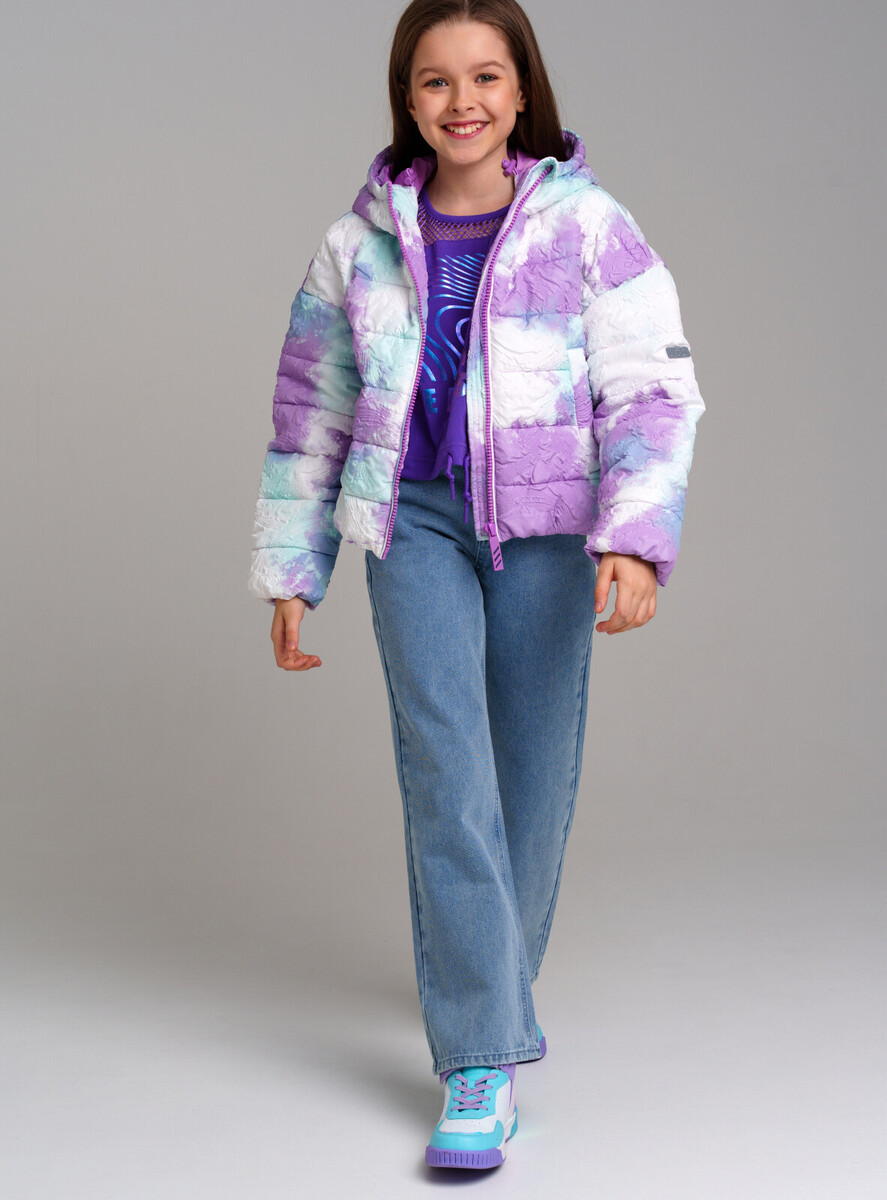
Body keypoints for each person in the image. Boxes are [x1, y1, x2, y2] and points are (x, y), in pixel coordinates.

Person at [248, 0, 705, 1172]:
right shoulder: (358, 244)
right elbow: (311, 411)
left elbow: (650, 387)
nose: (464, 102)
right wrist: (295, 568)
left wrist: (634, 537)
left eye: (487, 77)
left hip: (548, 532)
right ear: (407, 98)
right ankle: (480, 1058)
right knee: (447, 773)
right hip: (412, 526)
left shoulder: (587, 225)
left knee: (531, 780)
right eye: (437, 81)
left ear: (522, 89)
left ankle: (486, 978)